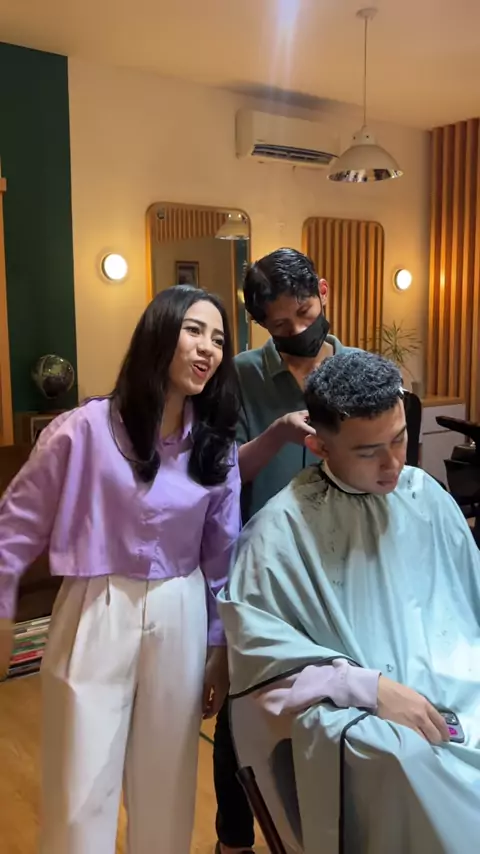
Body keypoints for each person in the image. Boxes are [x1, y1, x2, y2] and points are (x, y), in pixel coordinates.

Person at [0, 285, 241, 854]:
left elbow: (222, 554)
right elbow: (17, 522)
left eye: (218, 339)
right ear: (158, 333)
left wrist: (219, 646)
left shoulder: (216, 448)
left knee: (169, 779)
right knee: (79, 777)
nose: (208, 348)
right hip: (95, 605)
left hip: (181, 607)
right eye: (193, 330)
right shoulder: (83, 428)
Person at [219, 350, 480, 854]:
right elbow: (259, 669)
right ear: (319, 446)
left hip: (458, 682)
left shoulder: (425, 496)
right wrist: (366, 686)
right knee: (403, 758)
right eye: (368, 451)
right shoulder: (278, 533)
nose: (394, 463)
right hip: (370, 719)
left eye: (399, 438)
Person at [214, 247, 354, 854]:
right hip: (261, 569)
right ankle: (233, 839)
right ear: (261, 325)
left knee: (331, 698)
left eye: (305, 313)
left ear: (323, 291)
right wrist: (277, 433)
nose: (297, 330)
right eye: (280, 325)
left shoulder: (357, 369)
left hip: (341, 566)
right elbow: (225, 476)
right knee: (243, 708)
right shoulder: (239, 375)